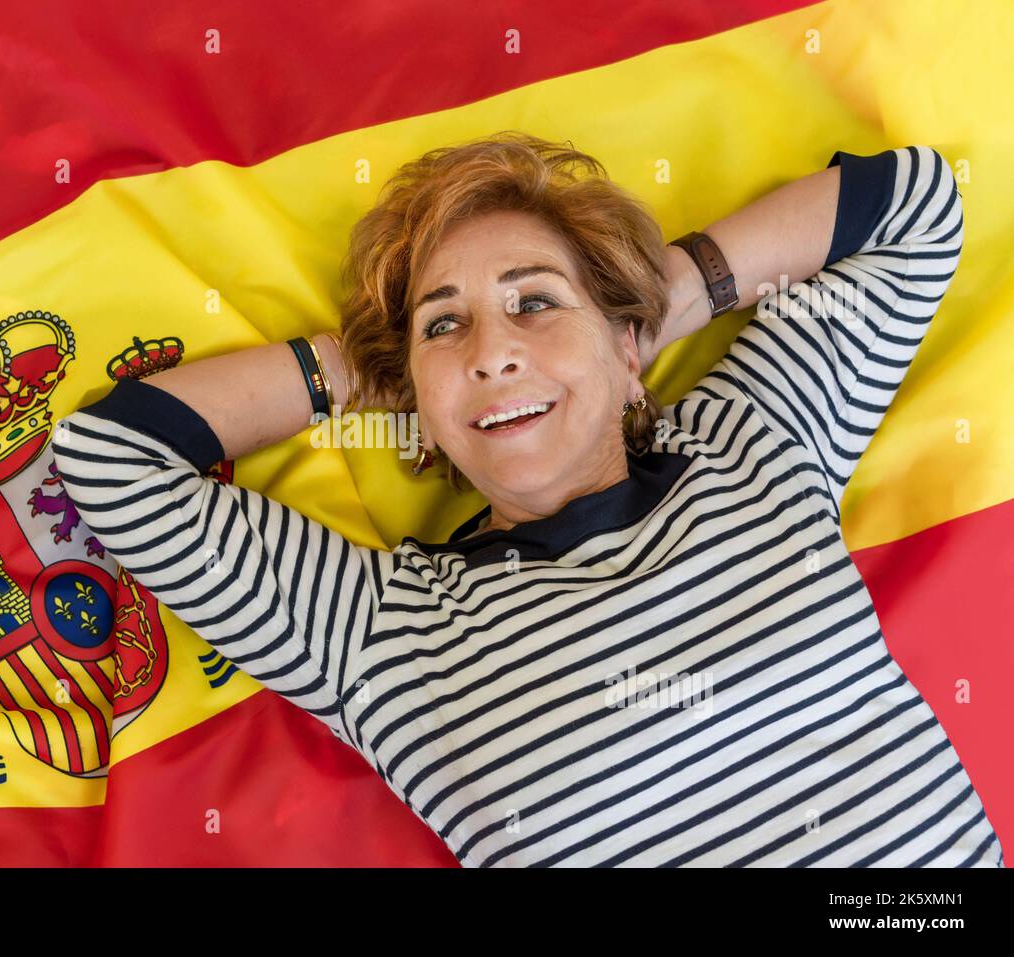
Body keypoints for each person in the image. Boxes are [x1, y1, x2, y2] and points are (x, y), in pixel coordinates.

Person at [51, 132, 1002, 867]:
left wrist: (653, 301)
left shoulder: (751, 445)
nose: (491, 348)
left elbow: (914, 209)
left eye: (535, 302)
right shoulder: (382, 632)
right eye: (447, 322)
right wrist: (384, 369)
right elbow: (110, 458)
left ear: (630, 349)